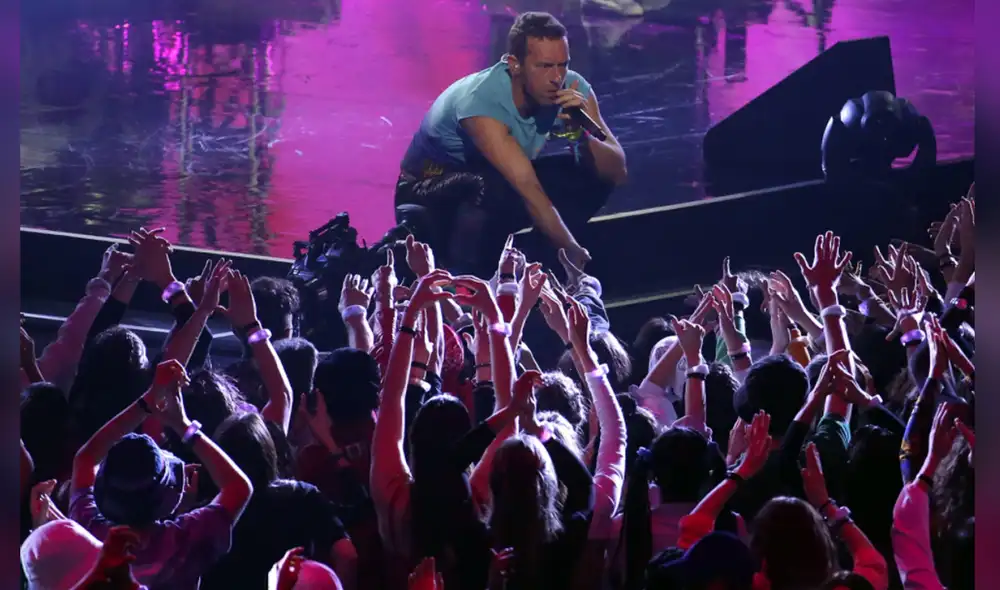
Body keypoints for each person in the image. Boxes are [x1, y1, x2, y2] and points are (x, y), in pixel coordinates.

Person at [394, 11, 628, 276]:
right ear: (515, 64)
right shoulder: (481, 102)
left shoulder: (573, 87)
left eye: (562, 64)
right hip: (428, 189)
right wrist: (572, 250)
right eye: (544, 66)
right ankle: (464, 275)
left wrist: (580, 135)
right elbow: (527, 188)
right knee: (493, 186)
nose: (556, 77)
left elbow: (616, 171)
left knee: (587, 175)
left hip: (497, 179)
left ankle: (540, 264)